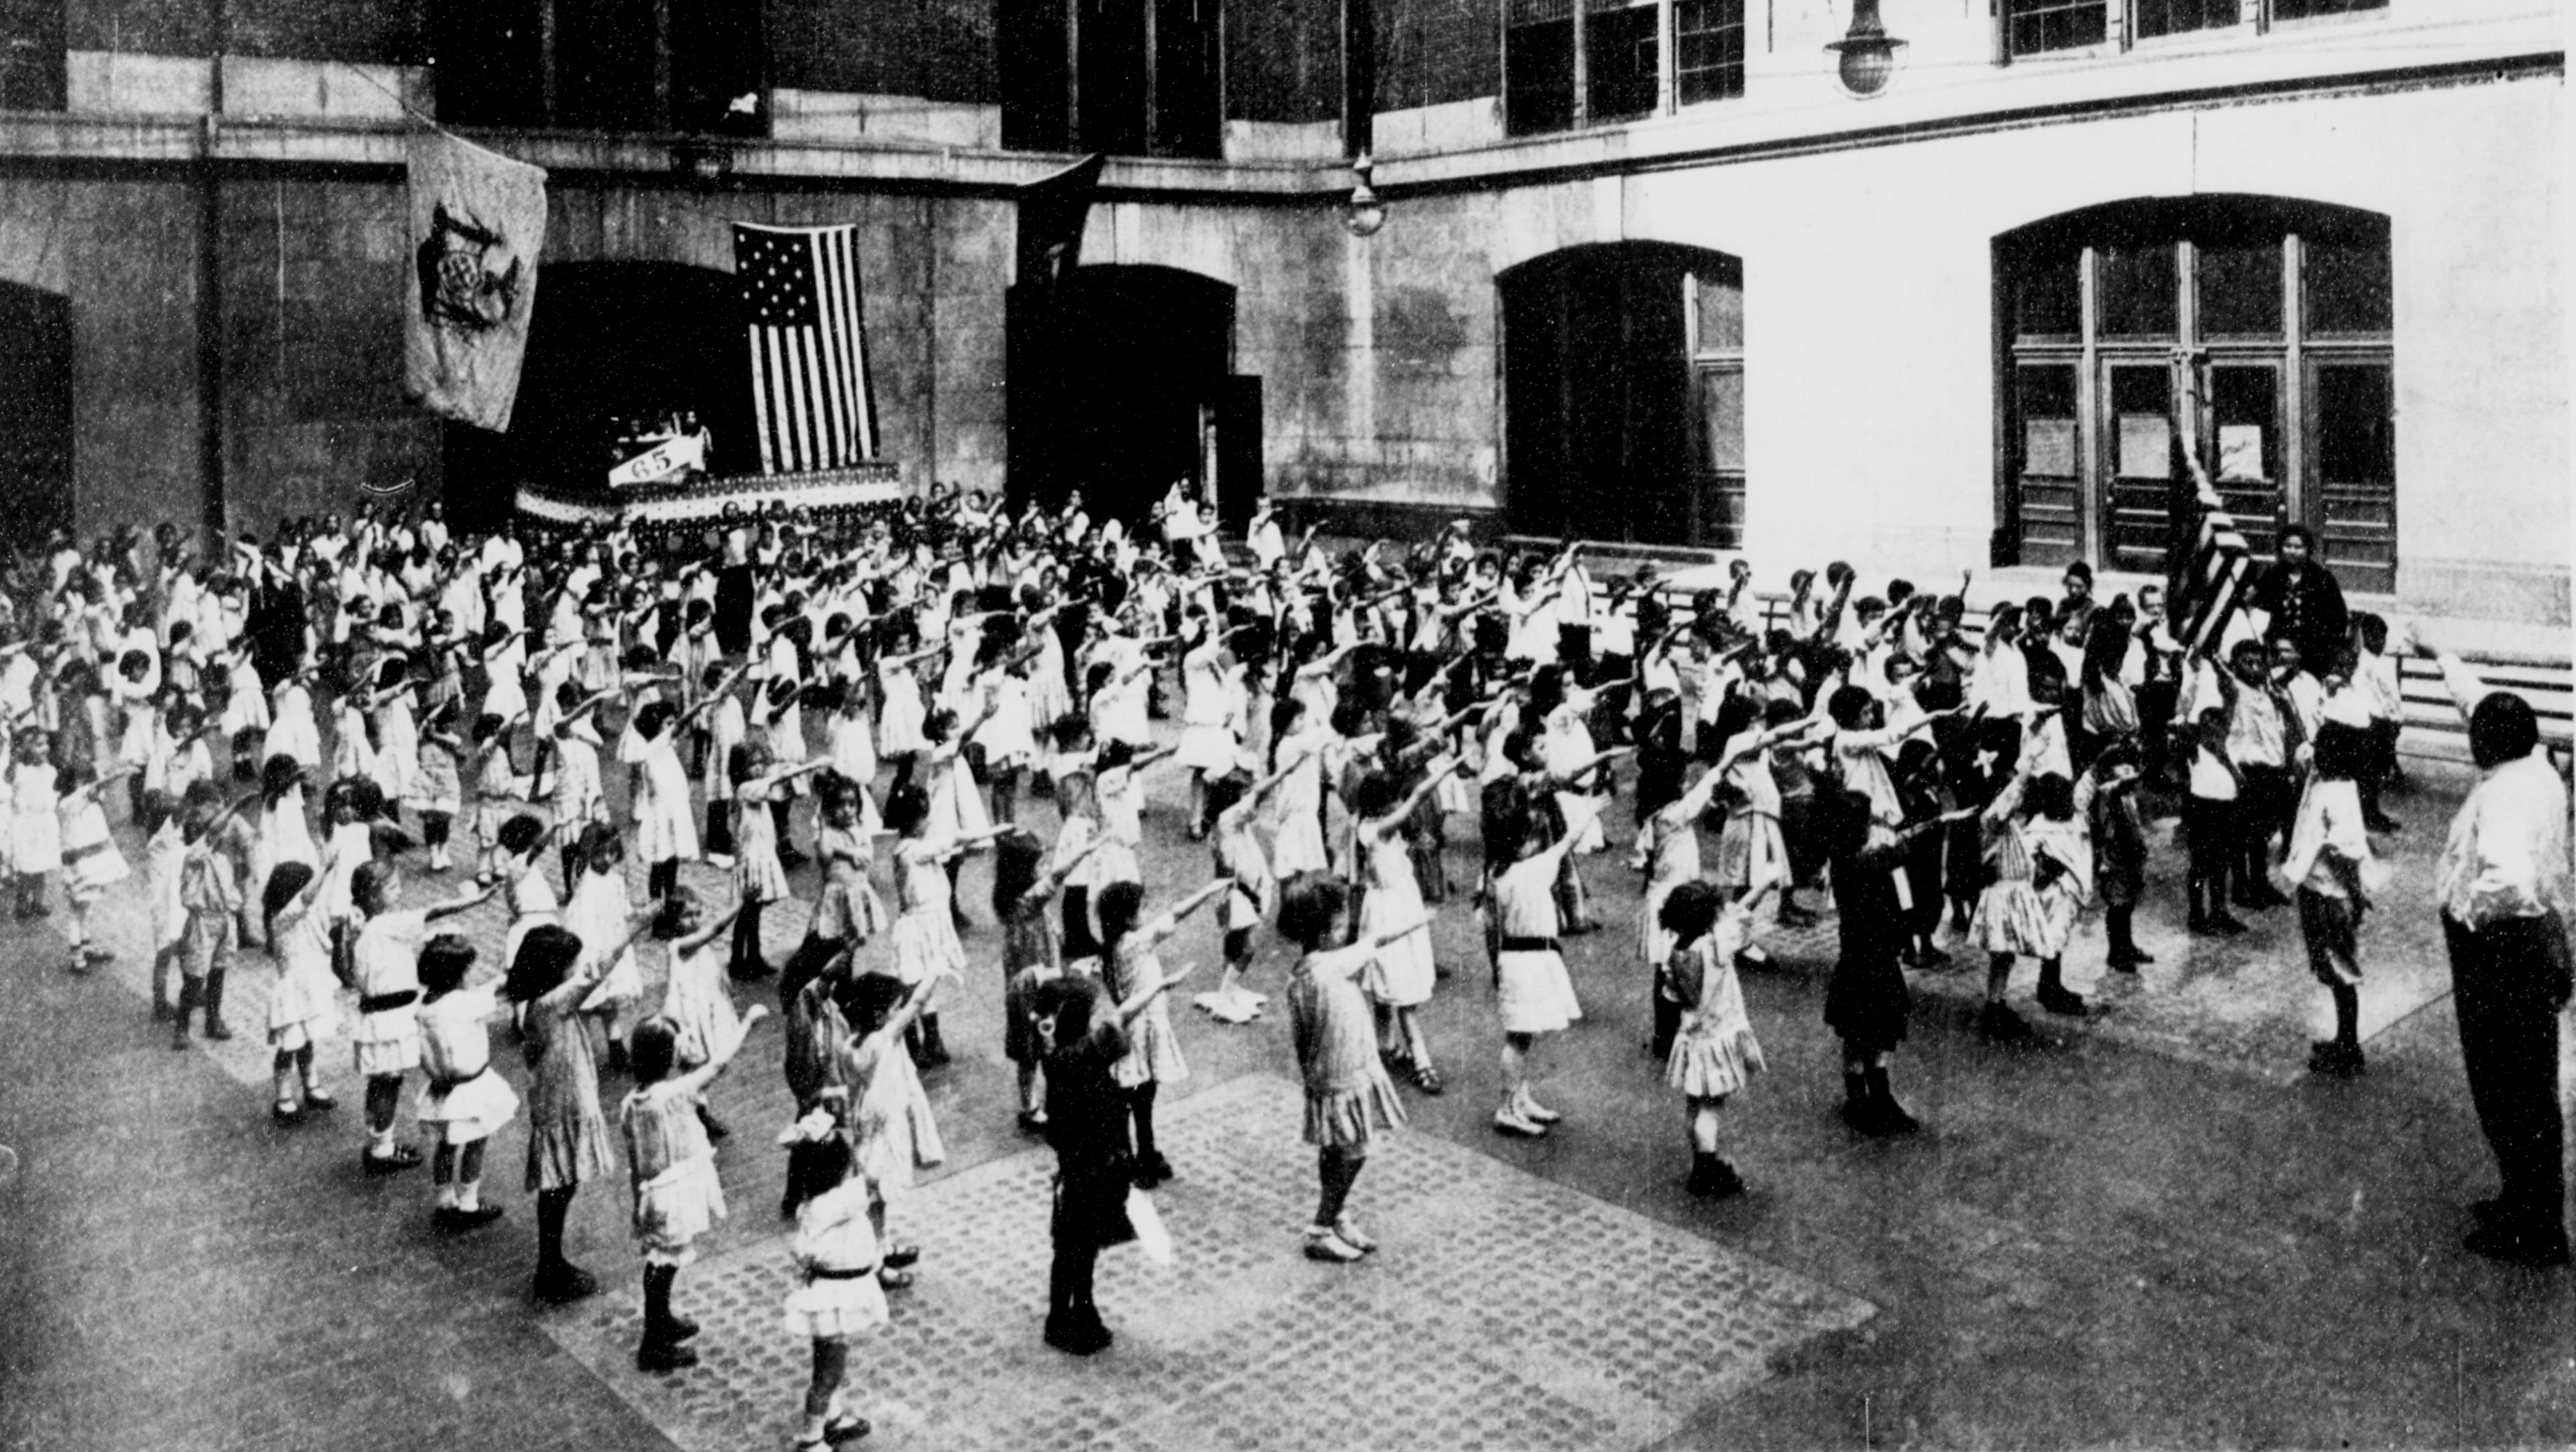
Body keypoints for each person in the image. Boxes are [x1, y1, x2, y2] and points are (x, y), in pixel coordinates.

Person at [2403, 627, 2573, 1267]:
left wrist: (2466, 915)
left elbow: (2507, 880)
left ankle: (2534, 1227)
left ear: (2490, 745)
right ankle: (2524, 1200)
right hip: (2532, 943)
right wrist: (2439, 655)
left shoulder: (2503, 794)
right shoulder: (2531, 762)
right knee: (2525, 1087)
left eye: (2476, 732)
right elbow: (2476, 701)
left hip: (2502, 948)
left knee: (2508, 1087)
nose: (2468, 733)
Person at [1029, 962, 1194, 1355]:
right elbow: (1118, 1023)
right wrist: (1156, 988)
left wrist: (1156, 987)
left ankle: (1076, 1313)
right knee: (1077, 1249)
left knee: (1077, 1248)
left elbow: (1119, 1018)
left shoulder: (1064, 1057)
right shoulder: (1079, 1057)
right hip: (1089, 1170)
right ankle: (1065, 1319)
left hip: (1083, 1169)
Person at [1277, 873, 1430, 1262]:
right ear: (1327, 931)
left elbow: (1302, 1038)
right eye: (1342, 923)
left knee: (1333, 1149)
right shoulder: (1334, 966)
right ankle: (1321, 1226)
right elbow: (1376, 941)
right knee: (1356, 1151)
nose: (1347, 930)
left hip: (1325, 1077)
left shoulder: (1301, 974)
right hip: (1345, 1075)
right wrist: (1418, 920)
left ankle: (1337, 1213)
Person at [621, 1002, 769, 1371]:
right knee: (666, 1264)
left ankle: (661, 1322)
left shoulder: (630, 1104)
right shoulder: (675, 1094)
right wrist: (747, 1022)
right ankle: (653, 1344)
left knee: (661, 1261)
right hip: (675, 1191)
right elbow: (718, 1064)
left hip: (654, 1192)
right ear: (668, 1059)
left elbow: (635, 1163)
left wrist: (637, 1202)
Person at [347, 860, 494, 1174]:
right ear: (373, 896)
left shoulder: (363, 926)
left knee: (383, 1084)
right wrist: (476, 900)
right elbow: (435, 911)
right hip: (390, 1019)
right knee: (388, 1084)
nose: (399, 891)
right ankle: (380, 1151)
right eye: (392, 887)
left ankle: (380, 1143)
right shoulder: (385, 924)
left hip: (379, 1018)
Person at [1094, 878, 1227, 1186]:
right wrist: (1207, 890)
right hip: (1144, 1028)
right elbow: (1177, 913)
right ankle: (1137, 1158)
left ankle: (1141, 1154)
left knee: (1134, 1096)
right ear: (1128, 917)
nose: (1146, 912)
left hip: (1135, 1029)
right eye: (1141, 908)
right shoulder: (1136, 943)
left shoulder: (1112, 948)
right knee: (1139, 1098)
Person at [2275, 723, 2384, 1076]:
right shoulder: (2322, 780)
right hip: (2316, 889)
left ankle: (2349, 1050)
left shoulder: (2338, 792)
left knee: (2340, 972)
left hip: (2330, 896)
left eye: (2324, 749)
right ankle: (2343, 1040)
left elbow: (2345, 852)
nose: (2316, 753)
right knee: (2330, 967)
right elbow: (2303, 754)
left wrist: (2355, 894)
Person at [776, 1109, 887, 1451]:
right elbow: (873, 1177)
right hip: (836, 1297)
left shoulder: (814, 1203)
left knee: (830, 1367)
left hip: (831, 1294)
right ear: (838, 1167)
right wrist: (876, 1138)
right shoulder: (839, 1200)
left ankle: (832, 1416)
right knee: (827, 1374)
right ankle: (811, 1438)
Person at [1659, 878, 1771, 1196]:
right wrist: (1766, 882)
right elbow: (1741, 911)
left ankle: (1700, 1159)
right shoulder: (1716, 946)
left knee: (1694, 1104)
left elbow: (1672, 996)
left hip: (1692, 1035)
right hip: (1717, 1035)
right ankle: (1706, 1169)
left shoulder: (1676, 952)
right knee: (1711, 1106)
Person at [414, 935, 518, 1228]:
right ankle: (470, 1204)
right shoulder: (464, 1003)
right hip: (472, 1087)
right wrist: (505, 977)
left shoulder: (424, 1008)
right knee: (475, 1143)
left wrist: (435, 1076)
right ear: (456, 974)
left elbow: (421, 1052)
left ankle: (444, 1202)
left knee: (445, 1147)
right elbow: (495, 992)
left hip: (443, 1088)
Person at [2248, 524, 2349, 686]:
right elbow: (2259, 612)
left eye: (2298, 547)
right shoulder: (2272, 576)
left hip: (2314, 652)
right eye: (2288, 546)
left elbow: (2337, 618)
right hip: (2278, 649)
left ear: (2308, 549)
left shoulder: (2322, 578)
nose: (2292, 551)